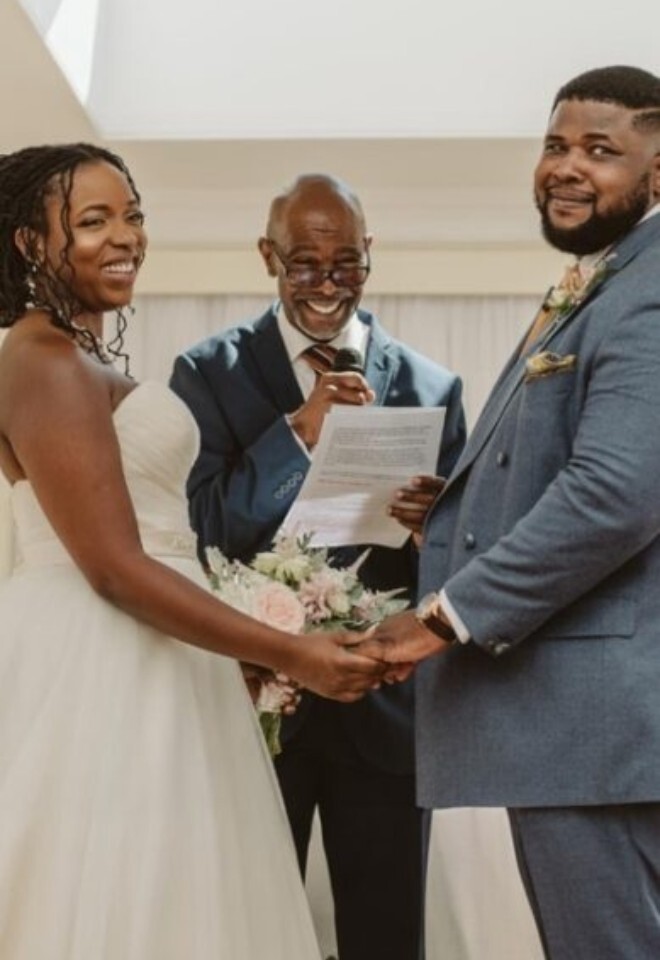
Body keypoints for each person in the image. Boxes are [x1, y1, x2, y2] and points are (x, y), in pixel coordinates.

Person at [0, 143, 389, 959]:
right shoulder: (40, 360)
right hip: (99, 656)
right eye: (94, 220)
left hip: (164, 653)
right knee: (117, 890)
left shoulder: (82, 357)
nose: (126, 238)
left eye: (133, 216)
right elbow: (112, 564)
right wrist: (291, 649)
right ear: (32, 243)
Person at [364, 65, 660, 959]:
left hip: (594, 726)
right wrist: (451, 518)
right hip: (587, 726)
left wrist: (441, 618)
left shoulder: (646, 290)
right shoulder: (602, 280)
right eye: (555, 144)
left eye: (600, 151)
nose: (567, 167)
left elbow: (615, 495)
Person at [170, 173, 466, 960]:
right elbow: (199, 529)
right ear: (268, 255)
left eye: (348, 265)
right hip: (260, 704)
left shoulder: (435, 385)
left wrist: (441, 520)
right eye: (305, 264)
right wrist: (298, 431)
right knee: (246, 928)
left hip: (387, 710)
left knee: (388, 935)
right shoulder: (207, 374)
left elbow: (463, 558)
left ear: (371, 255)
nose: (328, 286)